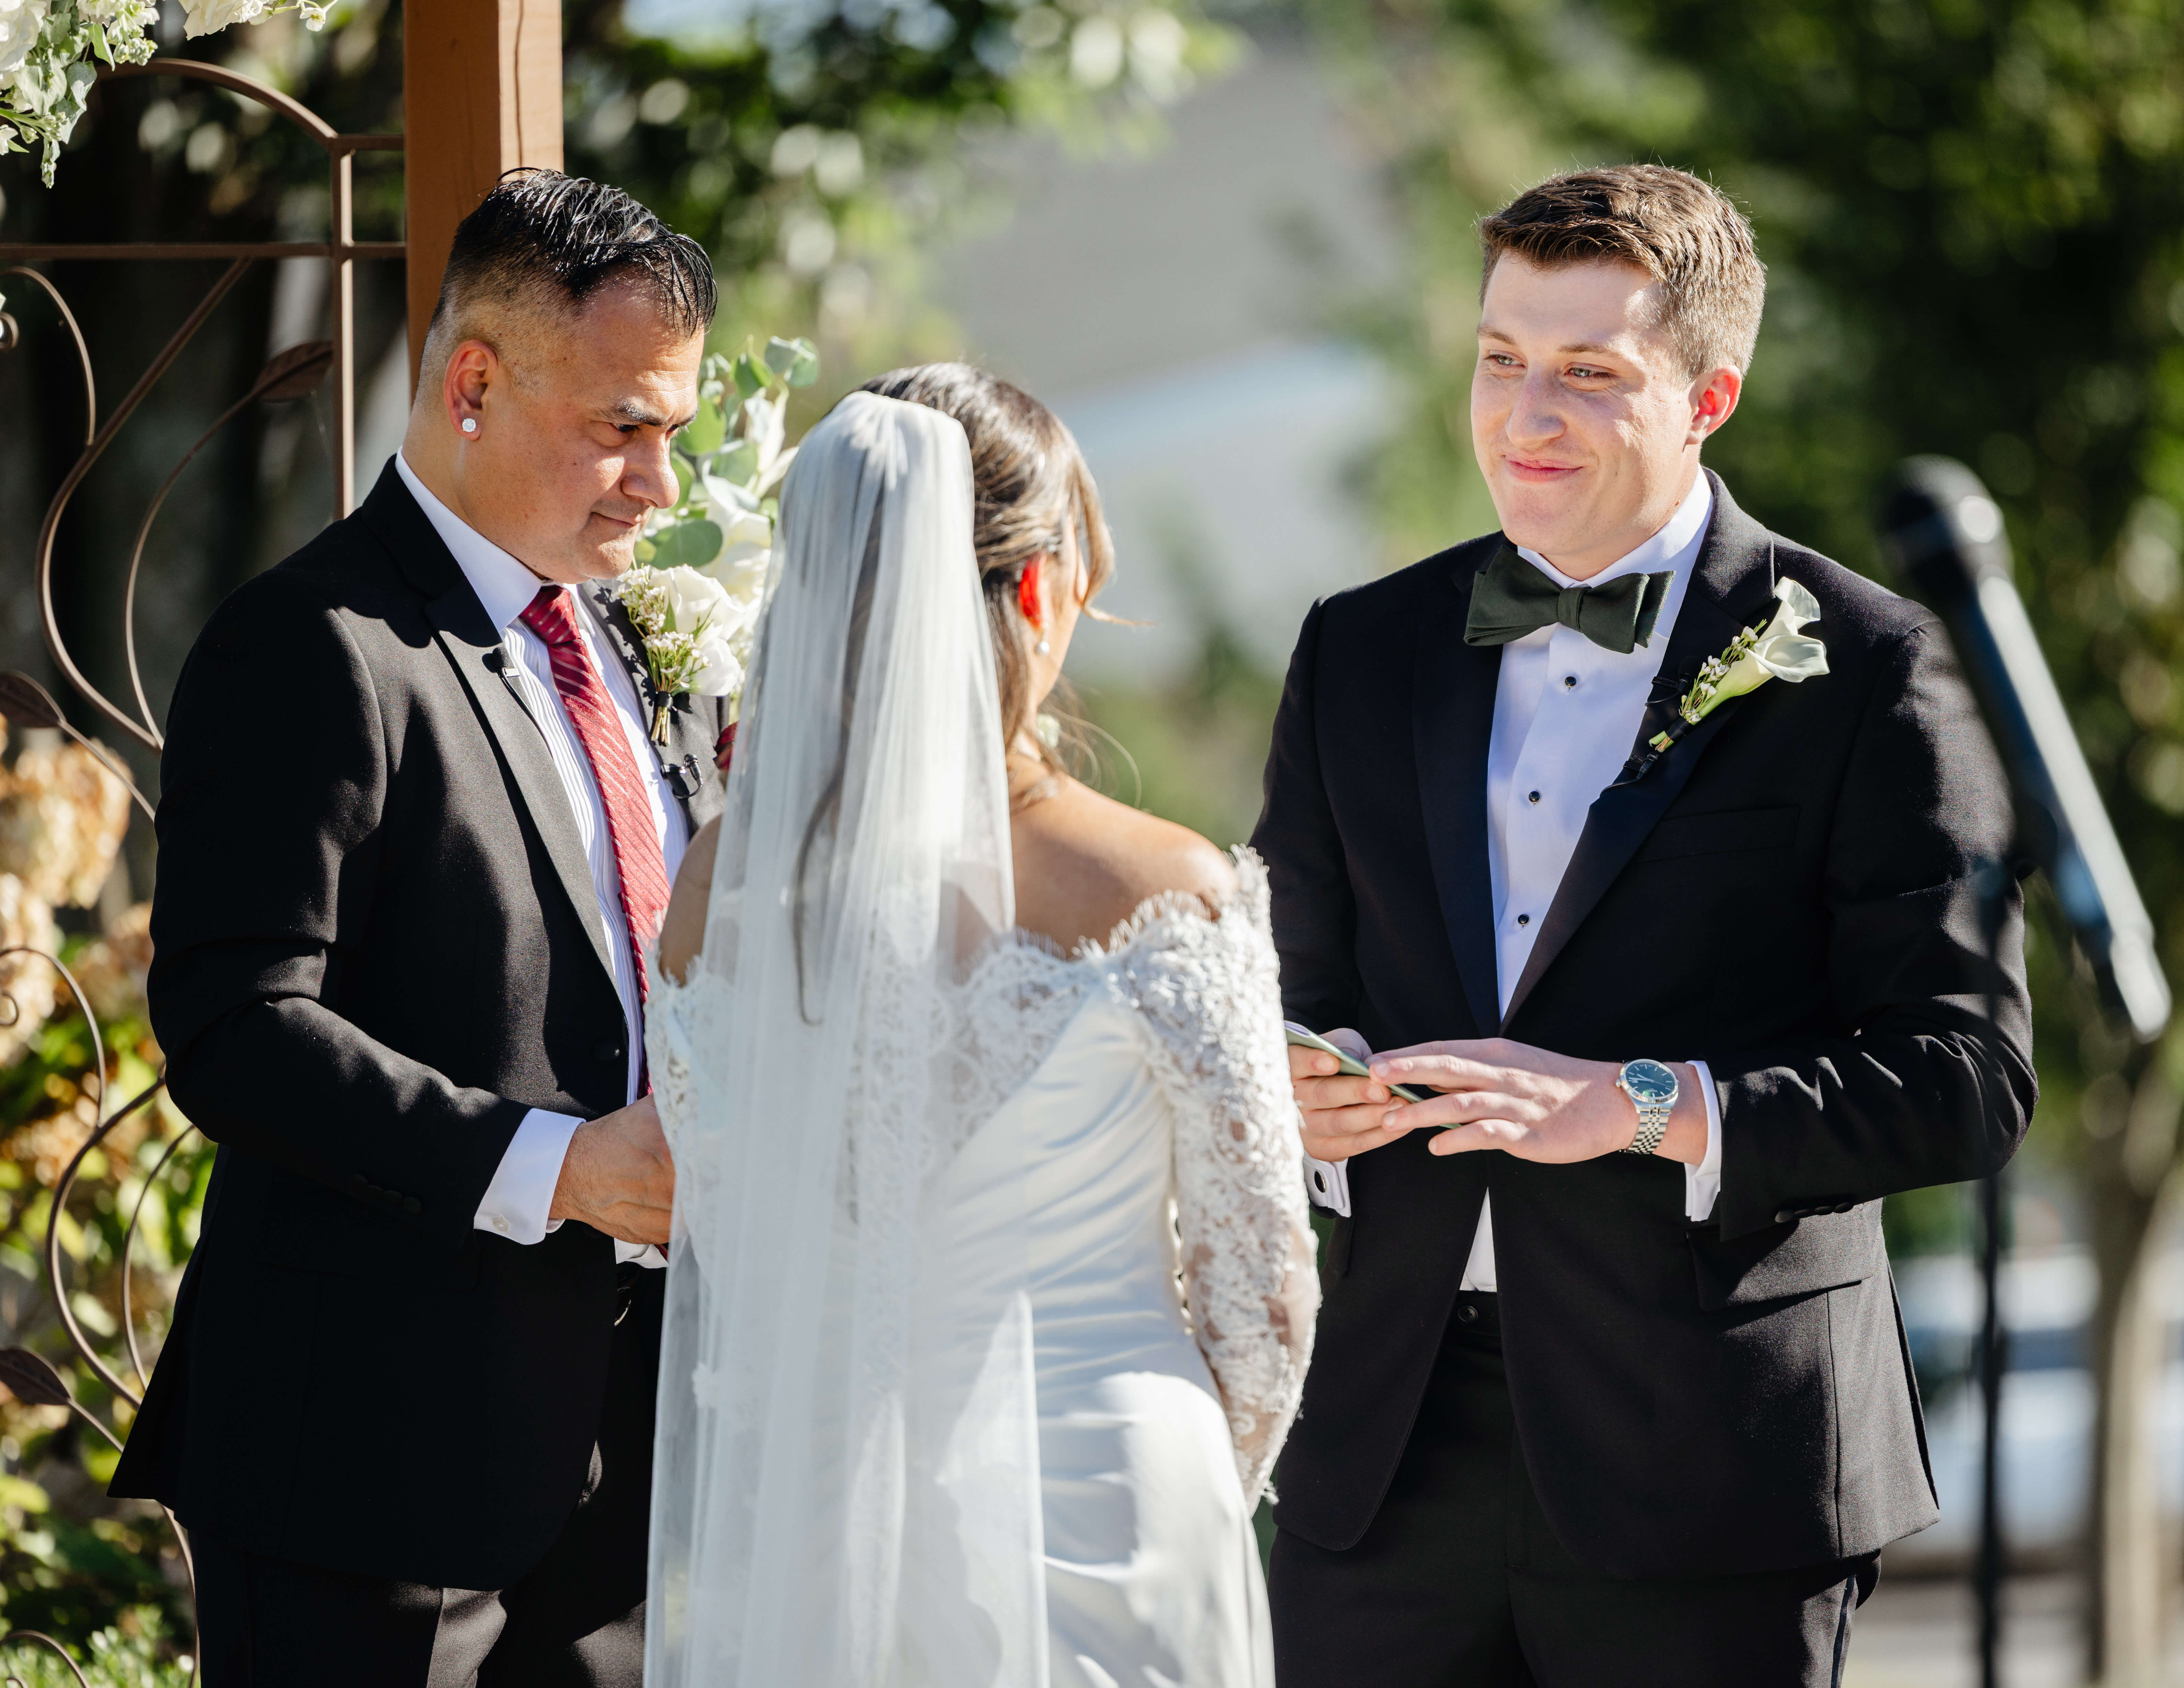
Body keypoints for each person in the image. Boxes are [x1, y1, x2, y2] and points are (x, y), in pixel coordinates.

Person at [1254, 164, 2036, 1685]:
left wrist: (1650, 1108)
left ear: (1710, 396)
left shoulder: (1866, 666)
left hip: (1715, 1463)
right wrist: (1302, 1082)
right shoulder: (1357, 649)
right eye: (1500, 360)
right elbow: (1287, 984)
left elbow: (1965, 1075)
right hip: (1387, 1458)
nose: (1523, 415)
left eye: (1589, 375)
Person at [119, 170, 725, 1682]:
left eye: (675, 431)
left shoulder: (631, 645)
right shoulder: (308, 645)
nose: (659, 480)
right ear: (472, 382)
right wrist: (559, 1168)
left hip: (631, 1469)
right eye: (622, 426)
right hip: (369, 1476)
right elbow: (236, 1028)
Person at [641, 367, 1318, 1686]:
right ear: (1038, 591)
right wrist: (1185, 1477)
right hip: (1119, 1512)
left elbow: (732, 1236)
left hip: (826, 1537)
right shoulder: (1158, 886)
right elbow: (1264, 1292)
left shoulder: (722, 889)